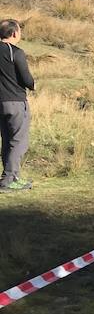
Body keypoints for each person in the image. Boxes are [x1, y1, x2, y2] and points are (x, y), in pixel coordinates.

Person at [0, 19, 35, 192]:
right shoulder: (16, 52)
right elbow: (26, 79)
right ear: (14, 33)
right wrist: (33, 85)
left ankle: (10, 177)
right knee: (19, 142)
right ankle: (9, 180)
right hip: (15, 102)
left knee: (7, 141)